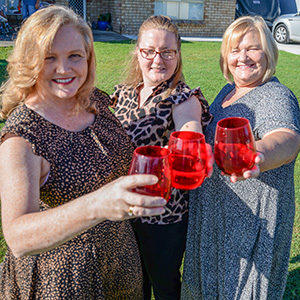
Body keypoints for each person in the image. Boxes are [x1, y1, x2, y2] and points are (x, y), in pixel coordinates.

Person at [0, 6, 168, 299]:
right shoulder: (23, 135)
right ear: (30, 62)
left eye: (74, 56)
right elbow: (18, 236)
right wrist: (99, 204)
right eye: (48, 58)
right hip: (65, 278)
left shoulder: (96, 103)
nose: (64, 69)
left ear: (88, 58)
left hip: (121, 264)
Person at [181, 15, 300, 300]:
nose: (242, 57)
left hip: (248, 225)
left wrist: (254, 154)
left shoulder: (275, 95)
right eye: (235, 49)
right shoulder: (228, 92)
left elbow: (287, 138)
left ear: (269, 52)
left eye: (252, 48)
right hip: (214, 218)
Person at [110, 15, 213, 300]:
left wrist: (194, 149)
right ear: (138, 51)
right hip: (122, 212)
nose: (159, 59)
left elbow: (189, 133)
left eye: (168, 52)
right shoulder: (123, 94)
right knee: (132, 285)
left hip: (162, 217)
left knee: (164, 285)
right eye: (150, 51)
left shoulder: (182, 98)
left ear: (178, 55)